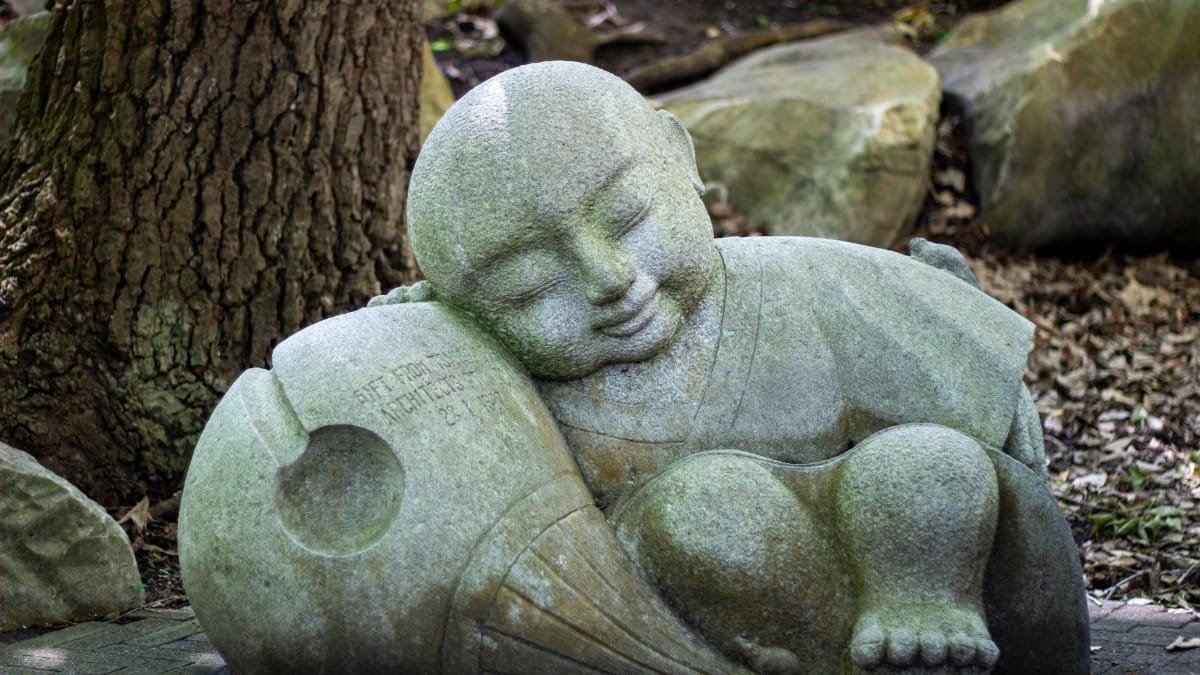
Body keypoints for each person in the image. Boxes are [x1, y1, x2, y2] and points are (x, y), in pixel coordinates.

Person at [402, 61, 1073, 673]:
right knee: (704, 505)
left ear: (681, 157)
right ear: (474, 311)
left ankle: (925, 620)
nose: (608, 278)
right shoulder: (505, 381)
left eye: (627, 217)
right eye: (529, 286)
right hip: (721, 616)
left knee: (925, 462)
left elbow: (993, 407)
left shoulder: (815, 280)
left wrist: (971, 358)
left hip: (925, 573)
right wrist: (422, 341)